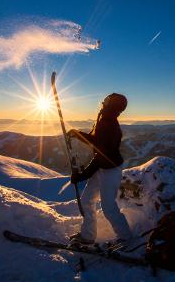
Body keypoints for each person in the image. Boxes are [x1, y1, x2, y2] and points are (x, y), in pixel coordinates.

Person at [67, 93, 132, 245]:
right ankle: (88, 236)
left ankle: (126, 238)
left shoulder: (109, 124)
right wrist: (79, 134)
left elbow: (101, 155)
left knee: (108, 206)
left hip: (110, 169)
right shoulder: (105, 120)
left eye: (107, 100)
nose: (103, 102)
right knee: (87, 200)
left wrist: (82, 175)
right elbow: (97, 141)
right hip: (103, 167)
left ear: (112, 104)